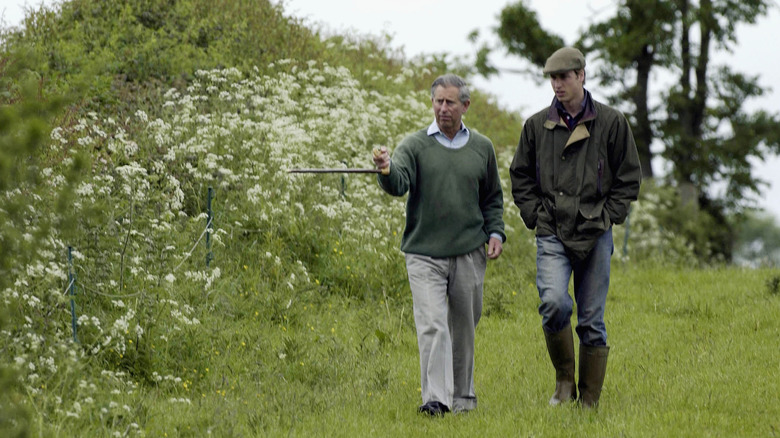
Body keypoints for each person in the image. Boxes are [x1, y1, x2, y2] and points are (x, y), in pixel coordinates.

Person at [509, 47, 641, 408]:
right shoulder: (536, 125)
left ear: (582, 75)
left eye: (564, 76)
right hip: (552, 229)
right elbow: (520, 176)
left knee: (592, 320)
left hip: (596, 231)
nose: (558, 84)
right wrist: (535, 215)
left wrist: (609, 215)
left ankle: (590, 401)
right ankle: (564, 382)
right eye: (553, 78)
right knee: (553, 302)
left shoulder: (612, 123)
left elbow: (629, 178)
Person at [372, 73, 505, 416]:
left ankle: (462, 400)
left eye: (450, 102)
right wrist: (385, 169)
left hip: (469, 251)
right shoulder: (415, 145)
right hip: (424, 253)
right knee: (432, 324)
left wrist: (496, 232)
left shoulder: (482, 148)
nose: (443, 109)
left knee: (463, 328)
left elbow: (492, 197)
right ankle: (436, 400)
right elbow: (399, 181)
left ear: (465, 105)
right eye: (438, 102)